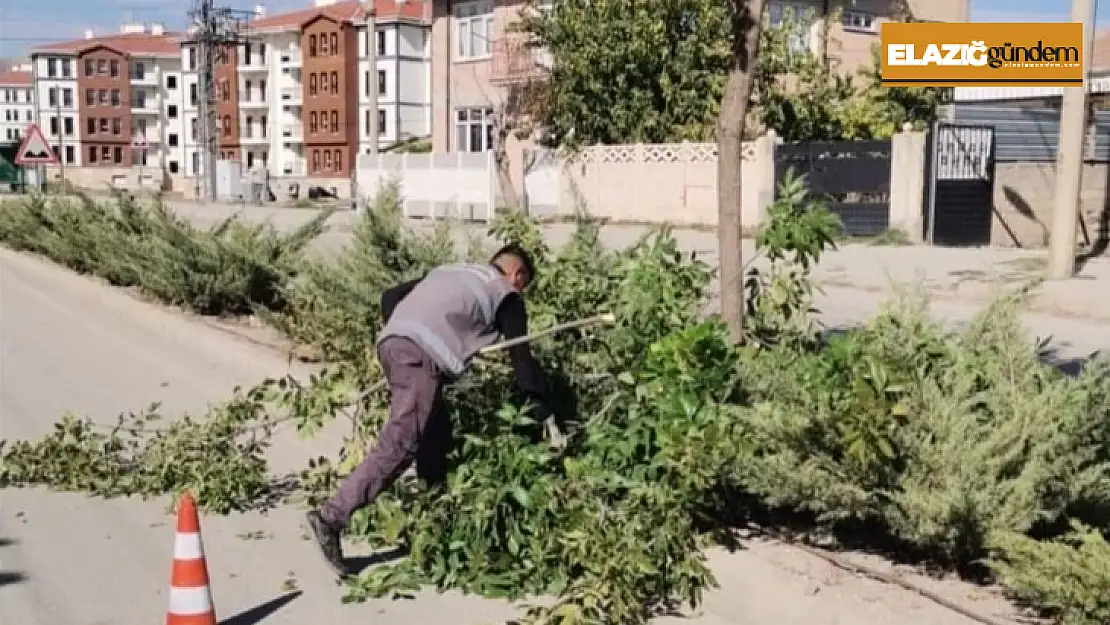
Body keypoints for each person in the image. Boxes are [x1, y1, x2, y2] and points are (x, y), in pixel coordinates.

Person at [304, 244, 558, 576]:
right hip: (419, 357)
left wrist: (408, 336)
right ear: (517, 274)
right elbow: (521, 361)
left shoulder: (451, 270)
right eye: (523, 284)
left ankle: (431, 518)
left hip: (392, 343)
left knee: (436, 431)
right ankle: (331, 518)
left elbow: (389, 297)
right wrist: (543, 411)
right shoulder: (506, 294)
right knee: (402, 441)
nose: (521, 290)